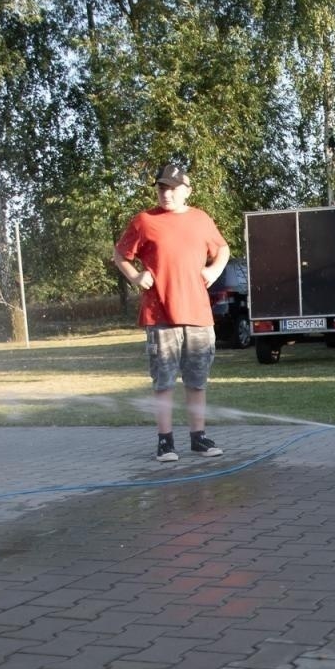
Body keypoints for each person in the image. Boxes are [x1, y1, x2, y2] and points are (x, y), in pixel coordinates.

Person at [114, 163, 231, 460]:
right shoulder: (144, 221)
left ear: (187, 191)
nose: (166, 194)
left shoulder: (201, 219)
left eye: (173, 188)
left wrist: (213, 270)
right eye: (162, 188)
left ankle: (199, 438)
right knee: (164, 381)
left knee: (197, 380)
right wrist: (136, 276)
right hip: (160, 316)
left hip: (198, 315)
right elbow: (120, 254)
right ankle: (165, 442)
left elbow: (222, 249)